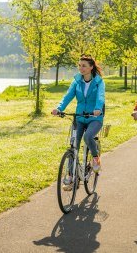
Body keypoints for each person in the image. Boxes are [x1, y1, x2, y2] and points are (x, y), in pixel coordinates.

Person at [52, 55, 105, 188]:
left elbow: (100, 97)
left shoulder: (99, 82)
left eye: (84, 66)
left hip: (94, 118)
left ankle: (95, 158)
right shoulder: (76, 81)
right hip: (79, 118)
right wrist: (59, 108)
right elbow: (68, 96)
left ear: (91, 67)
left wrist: (98, 108)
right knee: (73, 145)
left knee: (88, 137)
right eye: (79, 65)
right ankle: (70, 176)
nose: (81, 68)